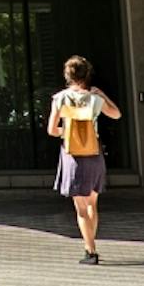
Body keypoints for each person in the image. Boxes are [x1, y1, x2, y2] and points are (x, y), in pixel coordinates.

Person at [46, 55, 116, 263]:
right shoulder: (95, 98)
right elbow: (116, 114)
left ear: (67, 76)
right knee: (92, 203)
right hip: (93, 154)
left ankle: (90, 250)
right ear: (87, 74)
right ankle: (91, 243)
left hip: (73, 156)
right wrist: (103, 95)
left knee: (80, 208)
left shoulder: (60, 99)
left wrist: (66, 132)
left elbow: (51, 130)